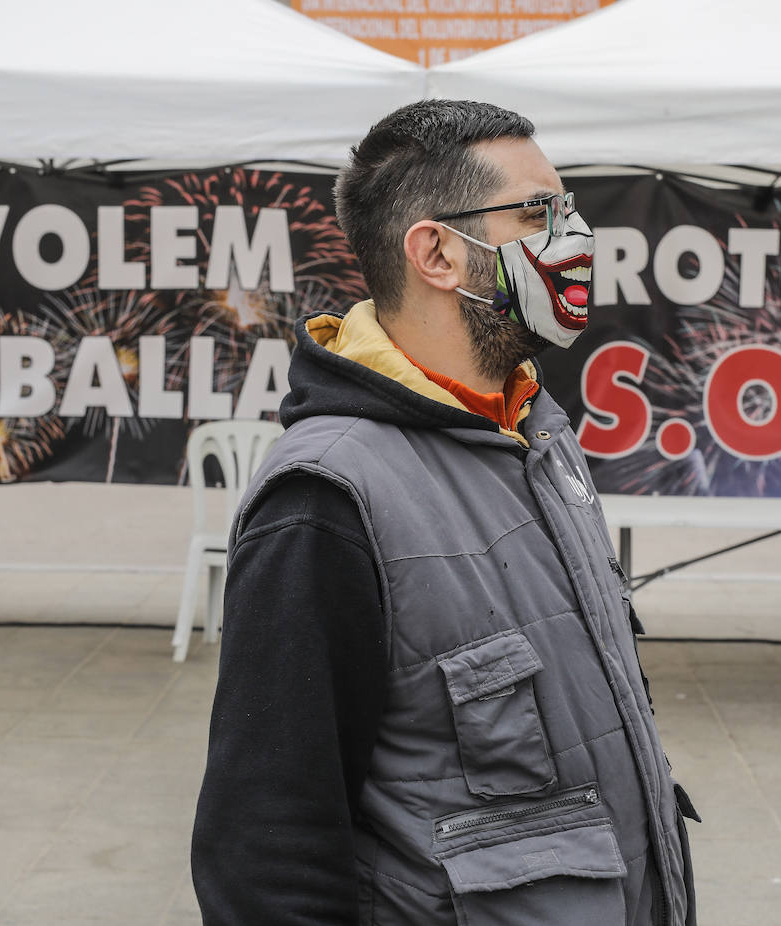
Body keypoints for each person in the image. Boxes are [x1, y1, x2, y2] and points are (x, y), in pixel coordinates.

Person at [191, 99, 697, 925]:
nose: (573, 241)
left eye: (567, 211)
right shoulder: (325, 499)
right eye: (538, 214)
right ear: (436, 252)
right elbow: (267, 850)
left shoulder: (533, 426)